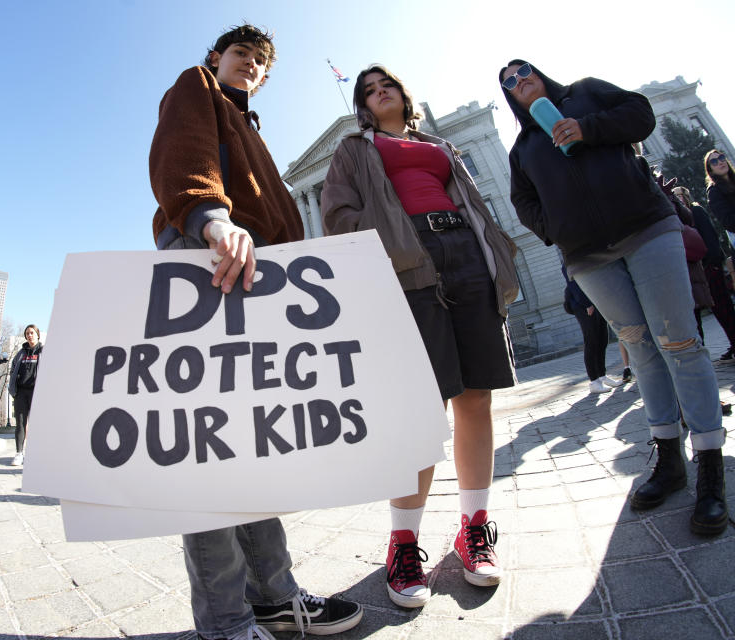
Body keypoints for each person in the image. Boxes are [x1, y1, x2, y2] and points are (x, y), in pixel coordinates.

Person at [149, 25, 363, 640]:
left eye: (261, 63)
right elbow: (181, 153)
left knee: (249, 445)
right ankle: (225, 621)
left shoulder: (251, 125)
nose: (251, 67)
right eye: (242, 55)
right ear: (217, 58)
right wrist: (211, 221)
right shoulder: (197, 87)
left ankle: (272, 594)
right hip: (213, 254)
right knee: (211, 452)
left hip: (262, 270)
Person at [499, 59, 727, 536]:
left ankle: (709, 465)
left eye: (524, 72)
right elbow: (523, 204)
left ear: (540, 74)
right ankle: (668, 459)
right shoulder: (522, 149)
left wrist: (587, 128)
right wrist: (556, 230)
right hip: (587, 257)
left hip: (647, 229)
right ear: (509, 98)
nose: (520, 82)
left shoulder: (585, 94)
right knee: (640, 350)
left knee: (681, 343)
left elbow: (641, 114)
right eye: (509, 83)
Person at [321, 64, 519, 608]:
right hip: (410, 266)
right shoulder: (353, 151)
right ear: (362, 105)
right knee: (420, 410)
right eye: (368, 90)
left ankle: (473, 529)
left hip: (467, 257)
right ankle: (404, 541)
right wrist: (390, 245)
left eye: (386, 84)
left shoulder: (439, 143)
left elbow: (474, 203)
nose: (378, 92)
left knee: (476, 398)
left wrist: (495, 248)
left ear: (403, 95)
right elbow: (336, 214)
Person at [675, 184, 735, 359]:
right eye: (674, 196)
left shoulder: (696, 211)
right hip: (691, 272)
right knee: (693, 314)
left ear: (686, 196)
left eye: (680, 195)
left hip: (708, 267)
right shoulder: (676, 217)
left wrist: (715, 262)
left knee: (722, 307)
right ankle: (700, 353)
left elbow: (710, 237)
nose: (678, 198)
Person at [562, 265, 621, 393]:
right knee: (591, 341)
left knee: (602, 340)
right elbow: (573, 283)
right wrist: (586, 303)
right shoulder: (568, 262)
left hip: (596, 300)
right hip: (583, 305)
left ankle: (602, 375)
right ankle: (594, 381)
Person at [704, 149, 735, 360]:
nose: (720, 162)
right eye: (714, 161)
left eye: (721, 157)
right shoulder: (714, 191)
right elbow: (727, 219)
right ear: (710, 169)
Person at [7, 324, 42, 466]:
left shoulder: (43, 351)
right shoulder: (21, 353)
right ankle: (19, 453)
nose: (30, 335)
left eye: (32, 333)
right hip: (21, 392)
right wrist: (13, 388)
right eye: (27, 333)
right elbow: (13, 369)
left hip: (37, 392)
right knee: (20, 424)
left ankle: (36, 454)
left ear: (37, 335)